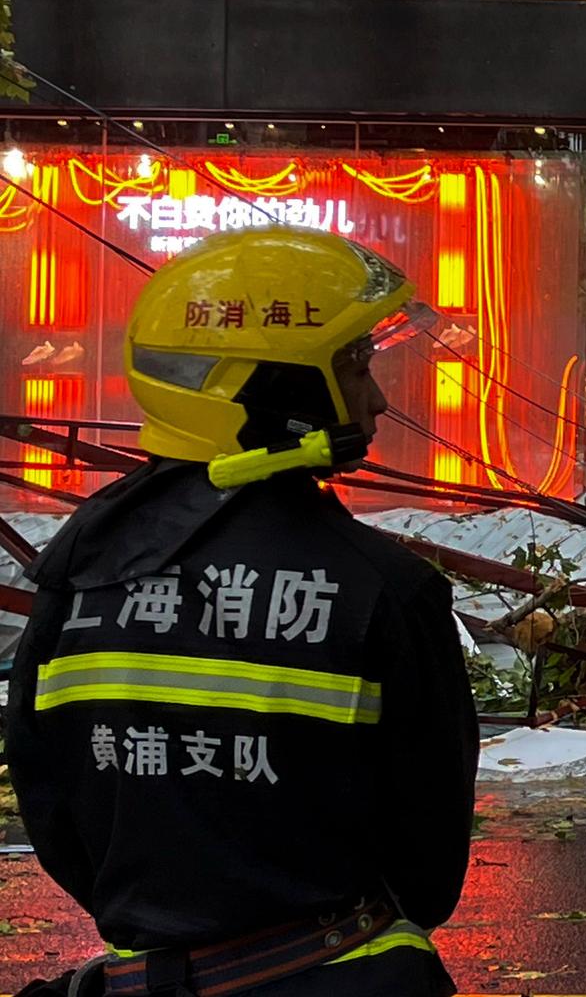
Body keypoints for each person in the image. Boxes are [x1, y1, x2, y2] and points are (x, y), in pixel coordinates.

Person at [7, 228, 478, 997]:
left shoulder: (76, 571)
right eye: (355, 365)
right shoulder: (385, 589)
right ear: (278, 386)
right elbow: (428, 867)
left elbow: (50, 799)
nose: (379, 397)